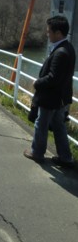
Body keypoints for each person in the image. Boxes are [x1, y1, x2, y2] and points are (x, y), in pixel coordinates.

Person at [23, 15, 76, 167]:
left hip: (51, 98)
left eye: (49, 32)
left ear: (58, 33)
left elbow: (53, 78)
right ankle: (65, 158)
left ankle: (37, 153)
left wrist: (37, 83)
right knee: (59, 126)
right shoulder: (68, 48)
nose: (47, 34)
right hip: (61, 98)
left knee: (41, 123)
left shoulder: (60, 52)